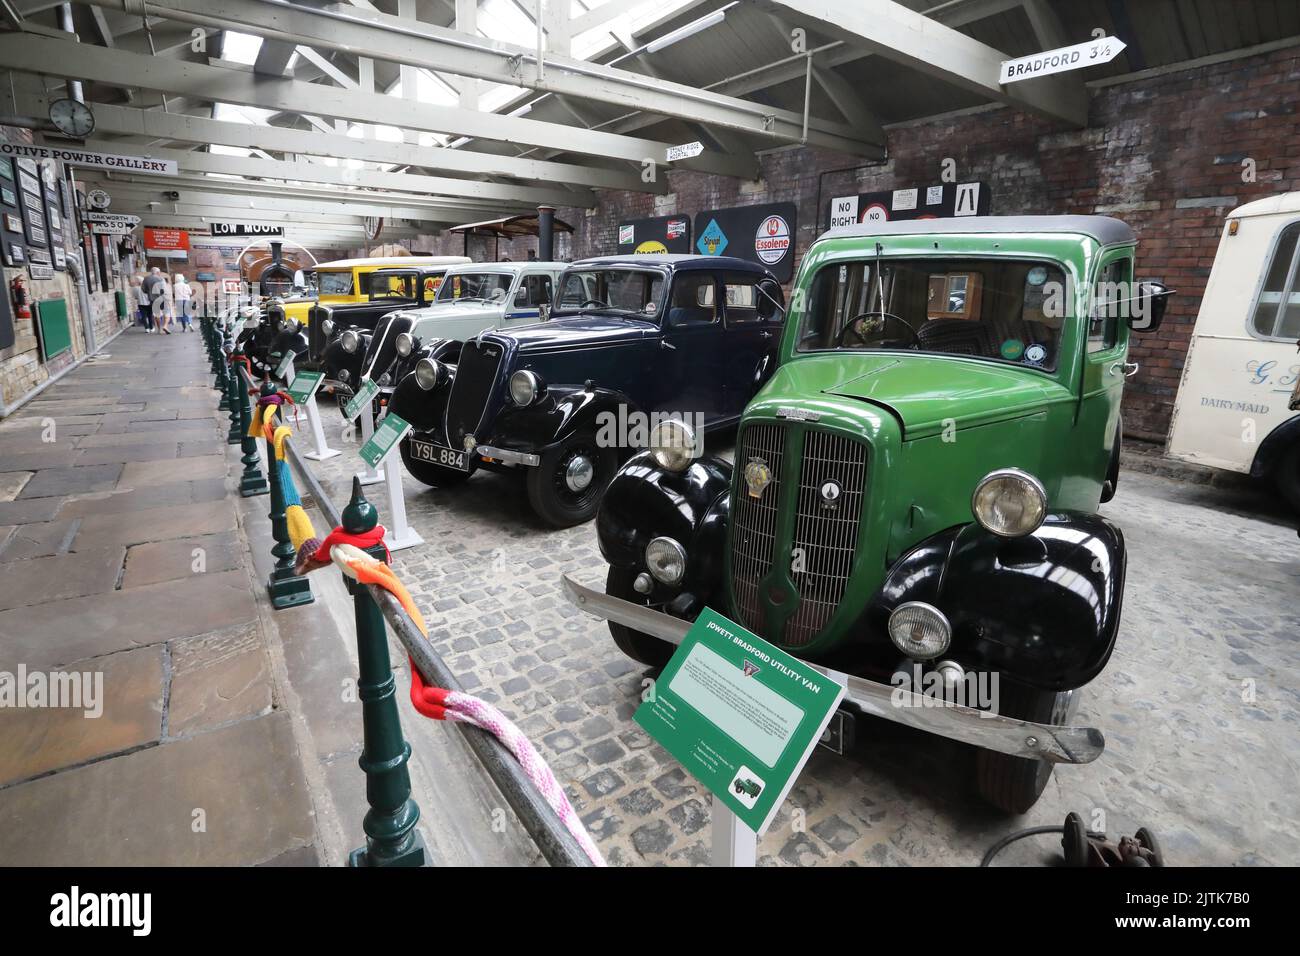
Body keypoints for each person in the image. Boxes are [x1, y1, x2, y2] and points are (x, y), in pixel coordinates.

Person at [143, 267, 171, 335]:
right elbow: (163, 290)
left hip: (153, 300)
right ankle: (165, 326)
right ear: (158, 272)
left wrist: (149, 293)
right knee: (167, 313)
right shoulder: (161, 279)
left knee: (157, 315)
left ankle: (159, 329)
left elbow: (143, 289)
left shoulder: (146, 279)